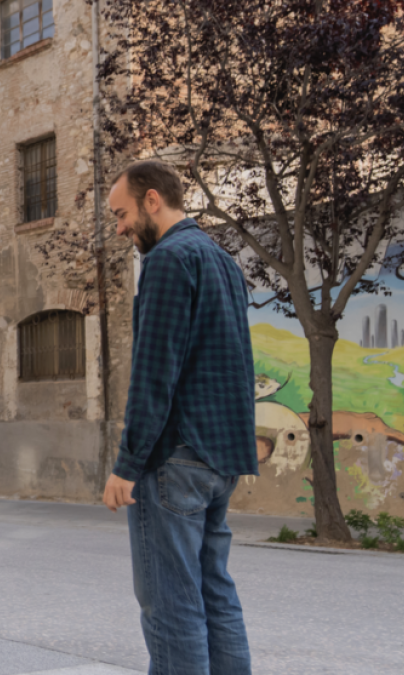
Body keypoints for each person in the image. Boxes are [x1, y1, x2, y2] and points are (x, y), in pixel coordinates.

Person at [102, 160, 259, 675]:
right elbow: (237, 362)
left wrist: (127, 464)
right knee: (215, 593)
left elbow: (154, 373)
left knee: (171, 605)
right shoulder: (221, 259)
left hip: (175, 460)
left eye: (122, 214)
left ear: (152, 200)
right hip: (220, 457)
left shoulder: (169, 260)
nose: (120, 228)